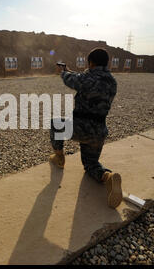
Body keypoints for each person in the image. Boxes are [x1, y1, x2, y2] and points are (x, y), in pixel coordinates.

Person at [49, 48, 123, 209]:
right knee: (90, 163)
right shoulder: (112, 81)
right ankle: (107, 176)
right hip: (99, 132)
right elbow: (84, 79)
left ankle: (59, 158)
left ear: (90, 62)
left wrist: (62, 72)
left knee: (55, 123)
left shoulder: (87, 78)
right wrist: (69, 70)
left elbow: (72, 80)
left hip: (81, 128)